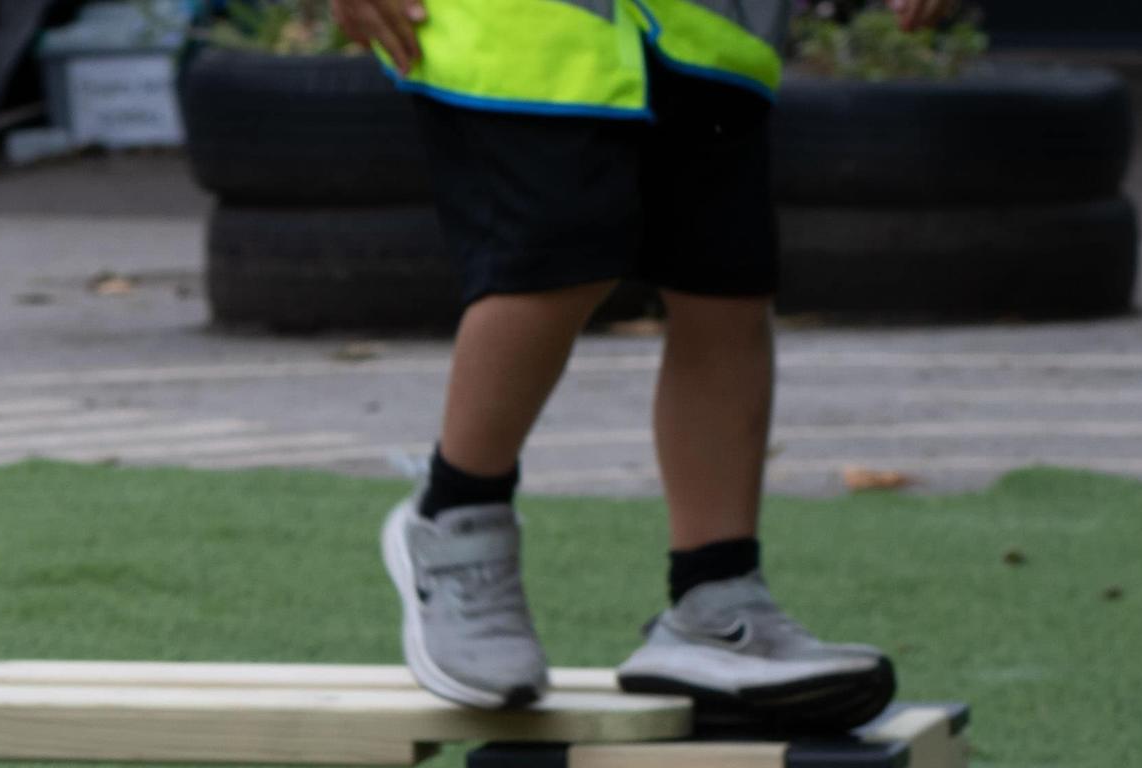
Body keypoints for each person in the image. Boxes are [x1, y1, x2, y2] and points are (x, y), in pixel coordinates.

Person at [341, 0, 945, 730]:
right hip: (523, 30)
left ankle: (715, 596)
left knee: (726, 285)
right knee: (553, 262)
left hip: (711, 28)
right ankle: (455, 520)